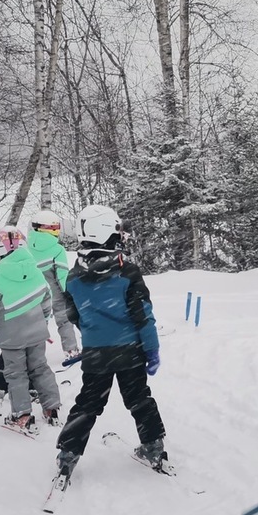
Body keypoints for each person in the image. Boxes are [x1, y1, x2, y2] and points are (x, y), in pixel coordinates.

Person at [55, 204, 167, 480]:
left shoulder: (74, 276)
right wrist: (151, 348)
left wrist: (94, 331)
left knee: (89, 403)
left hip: (96, 354)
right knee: (138, 397)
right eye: (116, 229)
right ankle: (153, 445)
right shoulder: (126, 271)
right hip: (129, 350)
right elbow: (143, 315)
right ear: (106, 231)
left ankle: (69, 453)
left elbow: (73, 314)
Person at [0, 226, 62, 431]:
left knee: (16, 373)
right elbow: (47, 300)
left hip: (11, 338)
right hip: (36, 333)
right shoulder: (36, 273)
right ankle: (51, 409)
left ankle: (22, 415)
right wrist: (43, 321)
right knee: (40, 368)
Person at [0, 209, 78, 409]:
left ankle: (2, 389)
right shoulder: (54, 251)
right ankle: (68, 354)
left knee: (13, 360)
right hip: (41, 307)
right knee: (38, 358)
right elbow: (60, 276)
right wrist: (68, 294)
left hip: (14, 316)